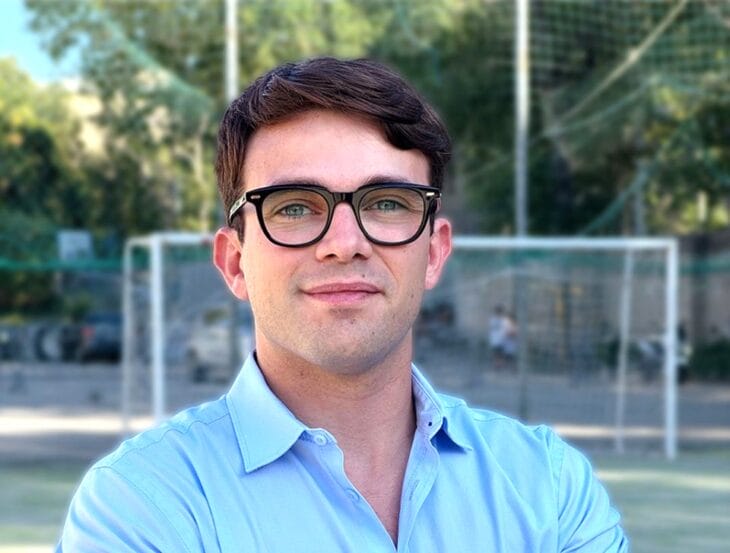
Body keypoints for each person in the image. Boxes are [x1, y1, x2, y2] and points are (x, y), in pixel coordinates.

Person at [57, 57, 627, 552]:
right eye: (294, 207)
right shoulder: (141, 504)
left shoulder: (548, 487)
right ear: (234, 263)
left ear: (433, 253)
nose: (345, 243)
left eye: (387, 202)